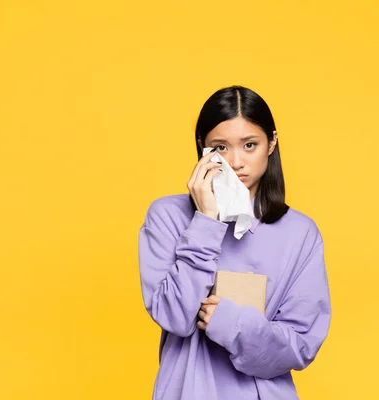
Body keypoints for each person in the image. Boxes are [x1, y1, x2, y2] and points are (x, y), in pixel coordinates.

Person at [138, 85, 331, 399]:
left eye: (250, 145)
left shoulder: (300, 233)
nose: (236, 161)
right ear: (203, 147)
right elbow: (175, 316)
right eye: (221, 148)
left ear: (271, 143)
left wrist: (232, 323)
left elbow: (300, 345)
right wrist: (206, 220)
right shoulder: (167, 216)